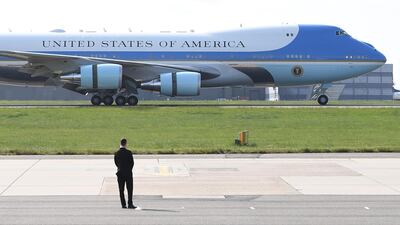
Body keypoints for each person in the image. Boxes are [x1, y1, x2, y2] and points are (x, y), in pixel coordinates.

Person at [114, 138, 137, 209]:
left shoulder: (117, 153)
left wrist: (120, 168)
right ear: (126, 144)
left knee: (121, 189)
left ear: (120, 143)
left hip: (120, 173)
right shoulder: (129, 152)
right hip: (128, 173)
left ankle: (123, 204)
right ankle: (130, 203)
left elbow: (116, 163)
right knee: (129, 189)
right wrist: (128, 169)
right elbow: (132, 163)